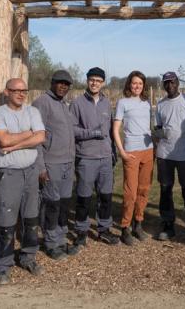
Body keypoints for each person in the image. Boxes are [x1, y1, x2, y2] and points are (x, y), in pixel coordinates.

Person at [0, 78, 46, 285]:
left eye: (24, 90)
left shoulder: (32, 112)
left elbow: (41, 138)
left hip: (31, 173)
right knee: (7, 221)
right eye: (16, 90)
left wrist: (14, 145)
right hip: (9, 173)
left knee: (31, 219)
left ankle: (28, 257)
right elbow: (3, 140)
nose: (21, 94)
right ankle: (3, 265)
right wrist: (29, 134)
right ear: (7, 92)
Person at [32, 70, 80, 260]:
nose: (63, 86)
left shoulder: (64, 105)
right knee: (51, 204)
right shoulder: (42, 103)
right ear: (52, 82)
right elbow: (35, 137)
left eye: (66, 84)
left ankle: (61, 238)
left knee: (63, 203)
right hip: (51, 163)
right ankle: (51, 242)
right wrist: (41, 167)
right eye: (60, 83)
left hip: (67, 163)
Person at [69, 67, 120, 246]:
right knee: (83, 196)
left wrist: (113, 153)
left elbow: (111, 131)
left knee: (105, 196)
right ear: (87, 81)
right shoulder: (77, 104)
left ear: (103, 83)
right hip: (86, 157)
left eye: (98, 80)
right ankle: (81, 231)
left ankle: (103, 229)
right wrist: (91, 133)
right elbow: (72, 130)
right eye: (92, 79)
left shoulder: (107, 103)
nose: (95, 83)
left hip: (106, 157)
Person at [153, 71, 185, 243]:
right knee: (165, 190)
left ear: (178, 83)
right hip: (165, 155)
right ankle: (168, 225)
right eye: (166, 83)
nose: (169, 86)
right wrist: (157, 135)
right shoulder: (160, 105)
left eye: (172, 82)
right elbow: (158, 128)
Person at [112, 70, 154, 246]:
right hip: (131, 152)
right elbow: (115, 129)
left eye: (140, 83)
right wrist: (121, 151)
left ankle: (138, 223)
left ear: (143, 86)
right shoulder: (123, 103)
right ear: (129, 84)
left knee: (144, 189)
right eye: (134, 83)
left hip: (148, 150)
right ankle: (125, 227)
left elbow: (150, 126)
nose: (137, 86)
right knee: (130, 191)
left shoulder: (147, 103)